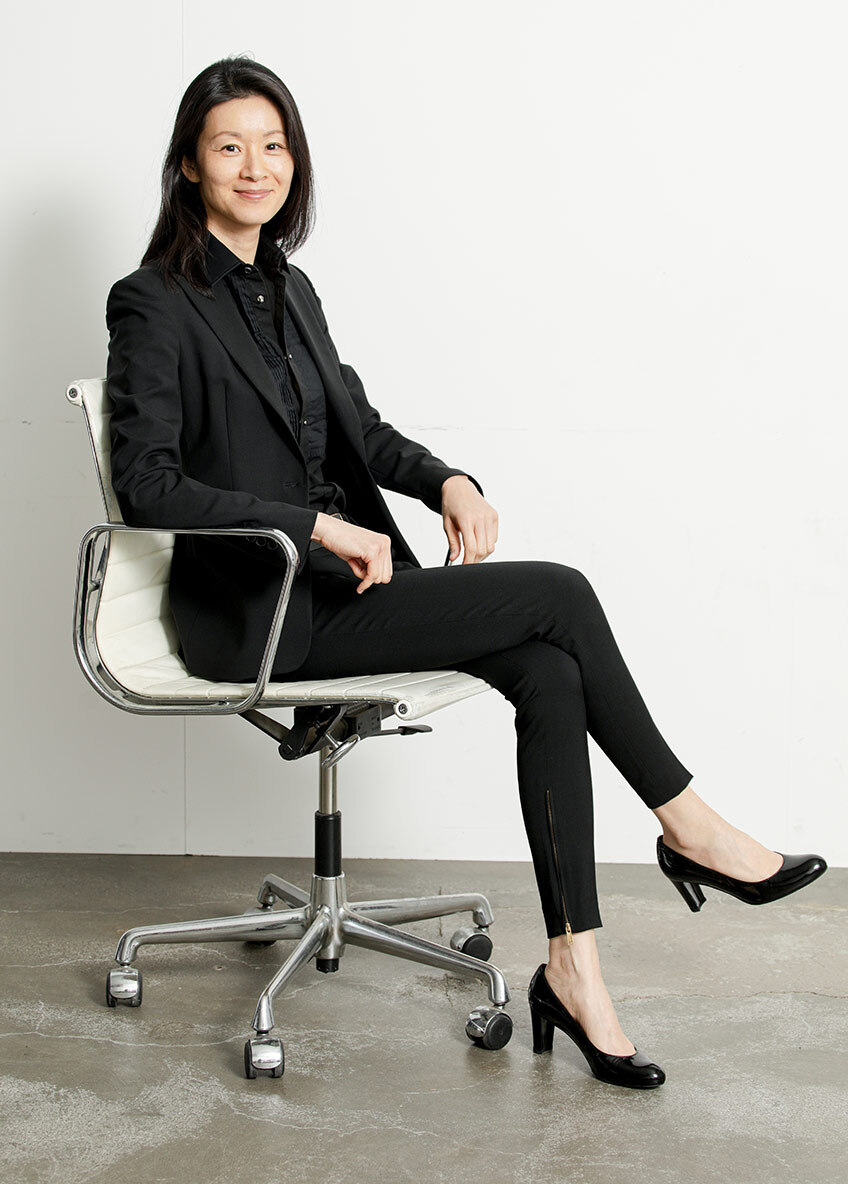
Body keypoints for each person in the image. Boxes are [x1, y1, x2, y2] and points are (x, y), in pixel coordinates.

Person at [105, 55, 827, 1089]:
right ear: (188, 166)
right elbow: (147, 486)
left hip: (341, 591)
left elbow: (360, 429)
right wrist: (316, 526)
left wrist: (447, 479)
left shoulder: (293, 291)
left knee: (549, 668)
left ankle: (574, 970)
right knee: (559, 592)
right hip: (259, 613)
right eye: (230, 147)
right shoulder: (152, 301)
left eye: (274, 146)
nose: (256, 166)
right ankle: (689, 825)